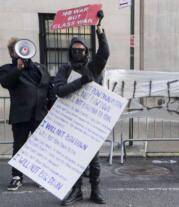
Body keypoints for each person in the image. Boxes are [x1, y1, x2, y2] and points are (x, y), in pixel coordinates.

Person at [54, 10, 109, 206]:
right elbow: (60, 90)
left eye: (82, 50)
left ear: (86, 52)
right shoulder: (65, 69)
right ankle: (76, 191)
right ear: (71, 52)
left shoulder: (92, 67)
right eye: (75, 50)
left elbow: (104, 54)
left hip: (89, 120)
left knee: (93, 160)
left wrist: (100, 32)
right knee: (73, 158)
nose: (79, 52)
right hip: (70, 120)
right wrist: (81, 82)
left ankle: (95, 190)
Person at [0, 37, 55, 191]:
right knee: (19, 146)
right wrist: (17, 69)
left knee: (42, 147)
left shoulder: (40, 67)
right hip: (21, 115)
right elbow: (5, 82)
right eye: (16, 50)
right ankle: (17, 177)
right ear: (12, 53)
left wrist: (52, 106)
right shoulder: (6, 69)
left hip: (40, 115)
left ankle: (41, 175)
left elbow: (48, 88)